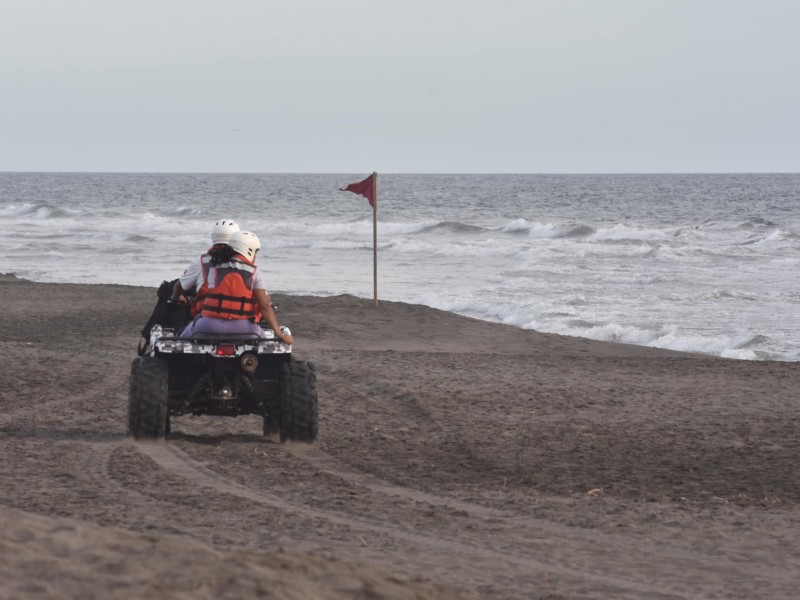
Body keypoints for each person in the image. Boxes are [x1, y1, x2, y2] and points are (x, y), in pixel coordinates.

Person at [176, 230, 294, 344]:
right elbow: (265, 306)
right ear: (249, 250)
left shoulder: (213, 267)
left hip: (209, 325)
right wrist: (279, 334)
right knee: (264, 344)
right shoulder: (254, 271)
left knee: (182, 339)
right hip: (243, 328)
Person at [171, 219, 240, 316]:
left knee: (182, 330)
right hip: (238, 317)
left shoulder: (201, 261)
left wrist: (176, 297)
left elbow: (179, 286)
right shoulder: (245, 264)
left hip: (206, 317)